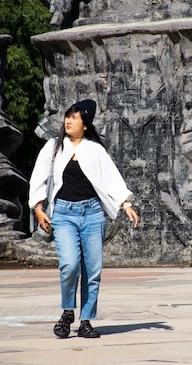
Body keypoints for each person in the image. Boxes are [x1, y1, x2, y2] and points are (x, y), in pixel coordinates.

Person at [28, 99, 139, 339]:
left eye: (75, 117)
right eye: (68, 116)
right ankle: (68, 312)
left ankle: (86, 320)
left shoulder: (95, 150)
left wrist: (126, 203)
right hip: (64, 215)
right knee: (69, 265)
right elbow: (39, 177)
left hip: (92, 214)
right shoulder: (54, 146)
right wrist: (37, 207)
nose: (68, 120)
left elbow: (112, 178)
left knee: (93, 270)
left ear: (85, 124)